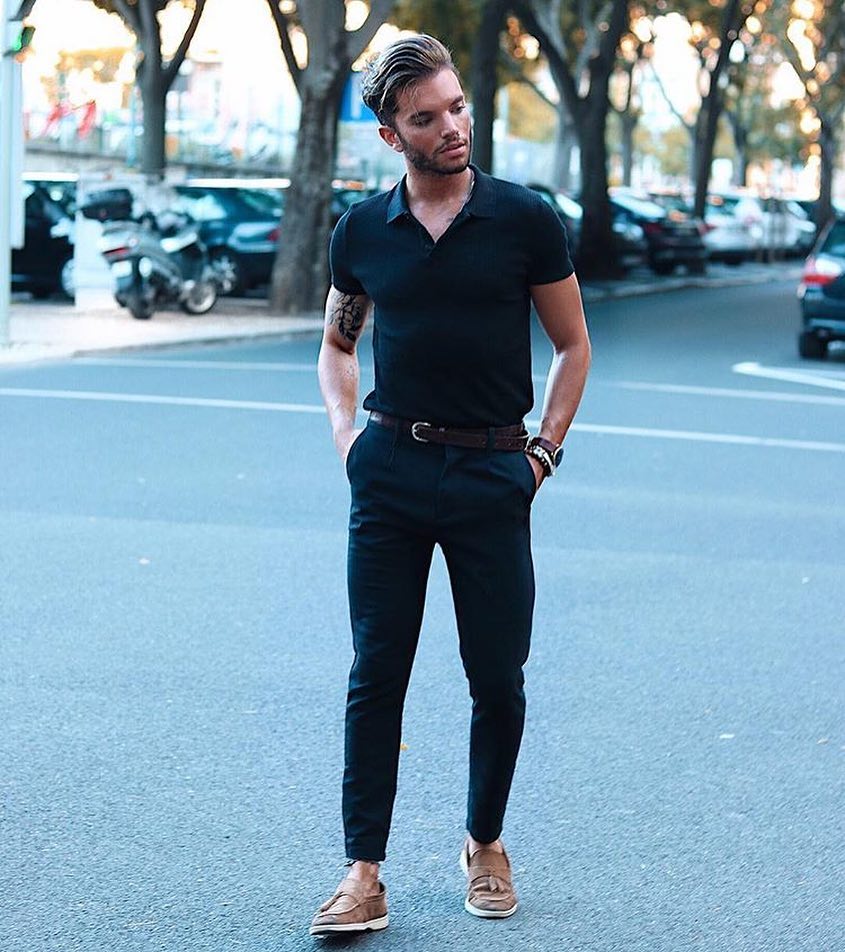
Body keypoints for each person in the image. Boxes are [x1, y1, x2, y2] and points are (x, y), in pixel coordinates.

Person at [312, 34, 591, 936]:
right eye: (426, 119)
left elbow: (573, 346)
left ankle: (484, 842)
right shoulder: (360, 230)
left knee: (496, 677)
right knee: (374, 675)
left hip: (490, 472)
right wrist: (348, 440)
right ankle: (363, 870)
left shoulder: (524, 220)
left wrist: (540, 456)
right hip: (388, 471)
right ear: (392, 136)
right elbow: (337, 345)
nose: (452, 128)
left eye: (457, 107)